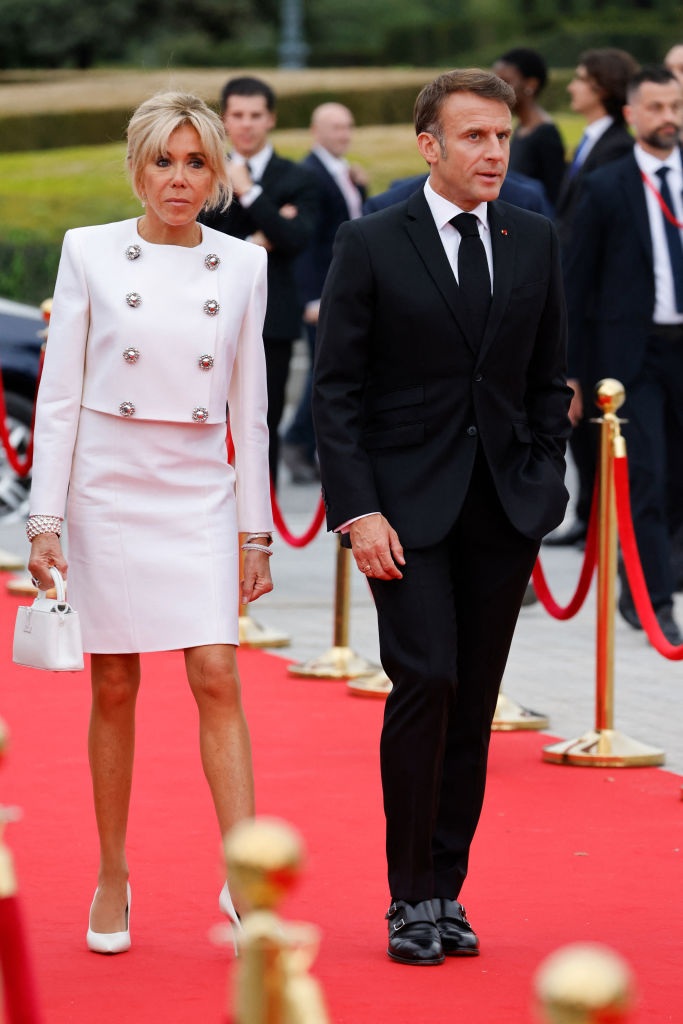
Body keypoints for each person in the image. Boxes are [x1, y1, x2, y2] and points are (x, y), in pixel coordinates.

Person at [313, 69, 571, 965]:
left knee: (471, 704)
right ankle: (406, 897)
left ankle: (448, 891)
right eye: (473, 138)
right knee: (426, 683)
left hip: (502, 510)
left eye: (500, 137)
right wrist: (359, 510)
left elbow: (547, 378)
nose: (492, 152)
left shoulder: (533, 239)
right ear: (430, 145)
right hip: (403, 514)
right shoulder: (372, 240)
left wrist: (543, 481)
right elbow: (335, 390)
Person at [26, 92, 274, 954]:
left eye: (195, 162)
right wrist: (44, 516)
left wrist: (256, 530)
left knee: (215, 671)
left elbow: (252, 406)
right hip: (108, 481)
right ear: (138, 166)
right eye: (164, 161)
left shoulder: (242, 265)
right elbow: (57, 396)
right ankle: (112, 873)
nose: (178, 178)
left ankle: (245, 874)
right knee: (116, 681)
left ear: (217, 173)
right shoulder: (88, 251)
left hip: (198, 484)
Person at [564, 66, 683, 644]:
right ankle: (651, 598)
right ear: (633, 114)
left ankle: (647, 572)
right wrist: (569, 372)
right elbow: (576, 280)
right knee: (648, 479)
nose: (669, 118)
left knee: (676, 479)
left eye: (677, 107)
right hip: (633, 358)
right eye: (657, 107)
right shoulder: (607, 184)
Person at [201, 76, 318, 486]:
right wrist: (258, 240)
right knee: (209, 422)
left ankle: (260, 534)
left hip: (275, 321)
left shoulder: (299, 177)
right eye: (237, 115)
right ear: (223, 119)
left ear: (270, 119)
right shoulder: (205, 173)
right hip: (208, 316)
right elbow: (199, 244)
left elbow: (296, 239)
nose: (246, 124)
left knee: (260, 426)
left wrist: (249, 192)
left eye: (255, 115)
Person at [549, 48, 639, 548]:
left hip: (599, 298)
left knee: (594, 413)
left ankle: (600, 516)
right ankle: (588, 514)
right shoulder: (590, 140)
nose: (573, 87)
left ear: (603, 87)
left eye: (581, 79)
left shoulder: (616, 146)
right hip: (576, 291)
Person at [281, 102, 368, 484]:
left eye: (348, 126)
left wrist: (360, 186)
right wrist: (311, 299)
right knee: (322, 372)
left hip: (346, 288)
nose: (344, 134)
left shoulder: (342, 170)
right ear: (316, 131)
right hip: (322, 293)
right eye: (335, 127)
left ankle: (306, 444)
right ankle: (297, 442)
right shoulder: (309, 173)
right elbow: (308, 242)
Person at [493, 47, 565, 207]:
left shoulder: (546, 133)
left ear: (531, 84)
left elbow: (556, 196)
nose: (497, 90)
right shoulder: (521, 128)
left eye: (506, 82)